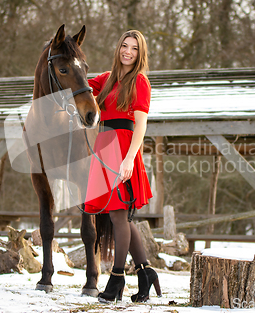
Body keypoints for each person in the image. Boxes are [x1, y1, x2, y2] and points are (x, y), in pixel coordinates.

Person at [84, 30, 161, 303]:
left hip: (124, 147)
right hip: (105, 145)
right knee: (121, 217)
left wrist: (129, 158)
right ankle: (146, 273)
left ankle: (117, 278)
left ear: (140, 54)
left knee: (118, 216)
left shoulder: (139, 81)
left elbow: (141, 125)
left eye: (134, 48)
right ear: (118, 48)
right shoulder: (105, 79)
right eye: (124, 46)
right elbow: (77, 87)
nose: (128, 51)